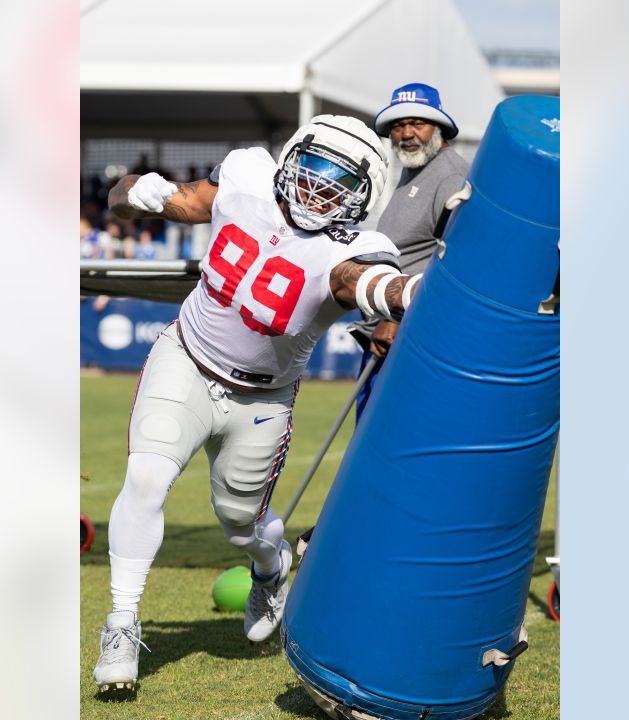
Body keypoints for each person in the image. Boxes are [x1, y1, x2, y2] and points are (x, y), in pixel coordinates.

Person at [92, 115, 425, 691]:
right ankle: (121, 621)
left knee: (242, 524)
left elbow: (366, 282)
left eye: (337, 182)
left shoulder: (358, 246)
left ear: (362, 196)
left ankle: (271, 570)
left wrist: (414, 294)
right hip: (187, 359)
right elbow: (174, 202)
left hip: (262, 399)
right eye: (312, 170)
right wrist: (137, 192)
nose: (318, 189)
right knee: (145, 478)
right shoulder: (248, 177)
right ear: (290, 158)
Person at [350, 82, 471, 419]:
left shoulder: (450, 176)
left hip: (408, 336)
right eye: (398, 126)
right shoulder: (414, 169)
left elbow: (456, 258)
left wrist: (396, 318)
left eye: (417, 123)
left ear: (439, 128)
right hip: (387, 334)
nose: (406, 133)